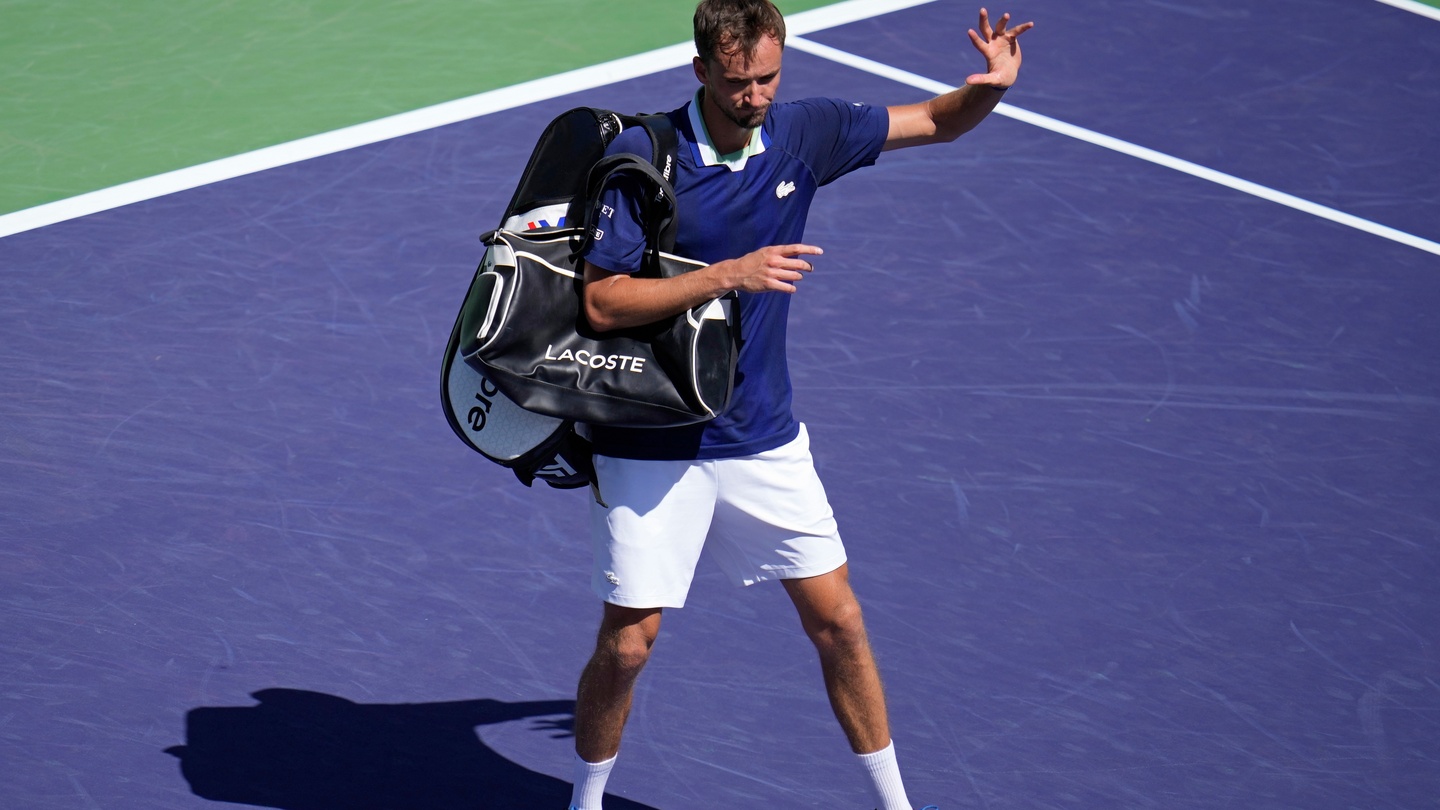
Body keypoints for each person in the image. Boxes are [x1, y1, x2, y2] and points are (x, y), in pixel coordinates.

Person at [568, 3, 1033, 809]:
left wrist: (987, 88)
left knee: (840, 624)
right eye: (740, 81)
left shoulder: (804, 132)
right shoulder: (643, 154)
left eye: (769, 79)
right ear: (701, 71)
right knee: (630, 647)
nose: (755, 97)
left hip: (762, 438)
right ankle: (586, 801)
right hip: (653, 439)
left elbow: (934, 120)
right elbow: (604, 304)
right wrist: (725, 275)